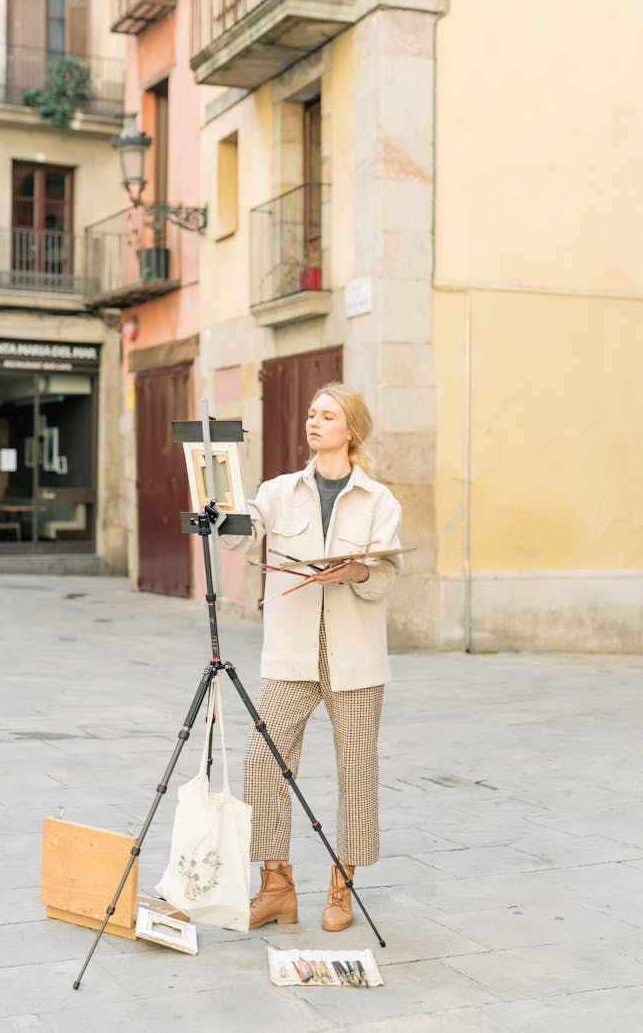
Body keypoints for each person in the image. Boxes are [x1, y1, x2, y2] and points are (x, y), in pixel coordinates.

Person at [236, 383, 403, 932]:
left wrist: (355, 570)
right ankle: (277, 884)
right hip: (290, 656)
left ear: (350, 429)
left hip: (355, 660)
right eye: (310, 414)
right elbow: (244, 533)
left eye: (326, 416)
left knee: (357, 769)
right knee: (262, 761)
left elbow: (384, 577)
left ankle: (341, 886)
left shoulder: (379, 501)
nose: (314, 422)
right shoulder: (279, 491)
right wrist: (221, 504)